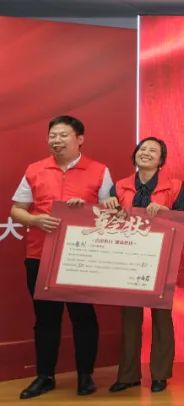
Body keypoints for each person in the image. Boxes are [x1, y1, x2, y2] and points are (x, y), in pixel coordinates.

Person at [12, 115, 113, 399]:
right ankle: (45, 376)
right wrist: (35, 220)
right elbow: (16, 210)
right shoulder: (35, 169)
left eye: (62, 135)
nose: (56, 140)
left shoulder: (99, 170)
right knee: (46, 318)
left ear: (80, 139)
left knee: (83, 316)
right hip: (40, 254)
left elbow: (111, 213)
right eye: (52, 135)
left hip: (81, 255)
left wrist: (88, 210)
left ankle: (85, 376)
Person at [102, 137, 184, 394]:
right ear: (135, 155)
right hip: (128, 260)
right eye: (142, 149)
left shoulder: (175, 186)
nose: (146, 153)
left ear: (161, 160)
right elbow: (108, 223)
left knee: (162, 318)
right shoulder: (120, 186)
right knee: (129, 319)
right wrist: (109, 208)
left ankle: (160, 374)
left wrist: (165, 213)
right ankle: (128, 375)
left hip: (162, 259)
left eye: (153, 150)